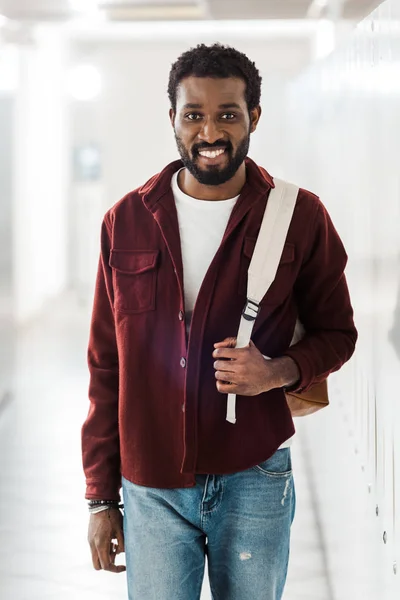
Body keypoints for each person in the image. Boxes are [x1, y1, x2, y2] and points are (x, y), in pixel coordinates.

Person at [81, 43, 358, 600]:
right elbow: (105, 365)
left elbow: (338, 334)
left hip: (254, 473)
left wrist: (276, 372)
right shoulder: (127, 220)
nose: (210, 132)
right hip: (150, 482)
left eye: (228, 114)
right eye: (194, 115)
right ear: (174, 120)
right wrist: (99, 497)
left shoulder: (299, 215)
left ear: (254, 116)